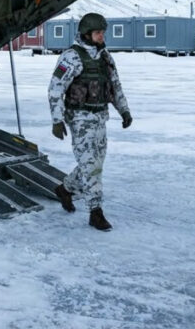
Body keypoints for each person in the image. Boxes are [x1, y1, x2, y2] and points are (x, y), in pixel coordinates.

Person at [47, 13, 132, 231]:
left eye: (103, 32)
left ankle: (65, 189)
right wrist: (57, 120)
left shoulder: (105, 57)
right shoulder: (71, 57)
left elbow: (115, 87)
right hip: (79, 119)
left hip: (100, 117)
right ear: (86, 34)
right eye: (98, 33)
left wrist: (124, 111)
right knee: (91, 166)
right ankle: (96, 212)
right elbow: (55, 89)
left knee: (96, 163)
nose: (102, 36)